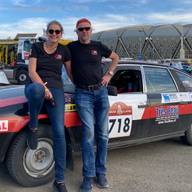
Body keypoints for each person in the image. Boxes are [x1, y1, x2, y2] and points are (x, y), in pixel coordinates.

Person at [68, 18, 119, 192]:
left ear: (91, 30)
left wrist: (109, 75)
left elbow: (115, 58)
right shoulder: (71, 48)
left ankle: (101, 173)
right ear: (76, 31)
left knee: (103, 136)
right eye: (81, 29)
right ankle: (88, 177)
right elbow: (65, 66)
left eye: (87, 28)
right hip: (82, 94)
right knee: (89, 135)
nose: (84, 31)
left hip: (101, 93)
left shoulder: (98, 46)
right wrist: (74, 81)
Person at [25, 20, 72, 192]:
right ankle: (33, 127)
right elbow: (31, 71)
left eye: (57, 32)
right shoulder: (37, 47)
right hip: (35, 86)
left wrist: (87, 85)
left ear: (61, 34)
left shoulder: (64, 51)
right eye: (51, 31)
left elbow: (70, 73)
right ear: (46, 32)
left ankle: (59, 180)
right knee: (37, 90)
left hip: (56, 88)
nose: (54, 34)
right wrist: (44, 88)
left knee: (59, 131)